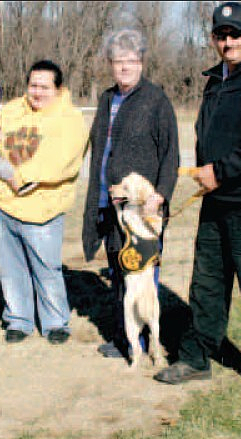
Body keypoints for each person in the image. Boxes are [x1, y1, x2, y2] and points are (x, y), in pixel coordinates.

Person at [154, 2, 241, 404]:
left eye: (235, 33)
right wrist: (209, 173)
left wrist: (221, 170)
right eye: (221, 34)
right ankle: (197, 357)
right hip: (218, 201)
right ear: (213, 37)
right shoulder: (216, 79)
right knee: (207, 285)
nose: (228, 41)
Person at [82, 29, 179, 359]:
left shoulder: (156, 100)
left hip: (143, 213)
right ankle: (128, 338)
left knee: (144, 278)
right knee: (119, 272)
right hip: (113, 208)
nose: (124, 67)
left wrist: (161, 194)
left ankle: (153, 340)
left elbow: (171, 154)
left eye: (131, 61)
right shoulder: (107, 99)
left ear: (142, 63)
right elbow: (100, 152)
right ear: (110, 64)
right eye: (118, 61)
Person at [0, 60, 88, 344]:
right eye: (33, 85)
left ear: (58, 89)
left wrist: (19, 175)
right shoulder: (9, 112)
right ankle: (18, 319)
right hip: (6, 205)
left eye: (44, 87)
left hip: (43, 208)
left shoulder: (69, 119)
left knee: (47, 270)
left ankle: (55, 322)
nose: (37, 92)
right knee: (11, 270)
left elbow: (64, 163)